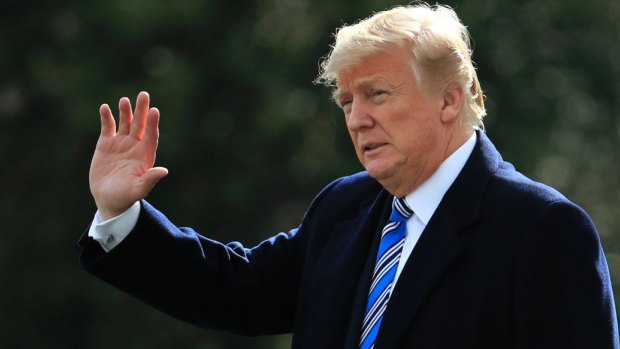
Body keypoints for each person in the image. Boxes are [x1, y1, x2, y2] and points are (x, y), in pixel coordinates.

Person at [79, 3, 619, 349]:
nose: (357, 118)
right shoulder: (346, 207)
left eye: (377, 94)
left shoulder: (542, 229)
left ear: (449, 99)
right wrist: (120, 213)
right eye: (346, 100)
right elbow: (236, 291)